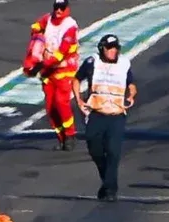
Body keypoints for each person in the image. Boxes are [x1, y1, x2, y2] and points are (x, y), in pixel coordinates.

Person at [73, 34, 136, 202]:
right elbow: (76, 80)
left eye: (115, 48)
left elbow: (131, 84)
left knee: (114, 152)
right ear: (102, 49)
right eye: (109, 48)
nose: (113, 51)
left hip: (116, 115)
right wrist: (79, 100)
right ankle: (107, 182)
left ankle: (110, 189)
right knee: (95, 150)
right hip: (96, 113)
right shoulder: (92, 62)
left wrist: (131, 95)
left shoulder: (124, 64)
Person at [30, 0, 80, 151]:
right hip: (48, 70)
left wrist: (41, 65)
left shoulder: (70, 26)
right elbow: (35, 26)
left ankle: (70, 134)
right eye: (56, 7)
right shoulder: (48, 18)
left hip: (64, 68)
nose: (58, 10)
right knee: (50, 106)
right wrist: (37, 41)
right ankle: (61, 138)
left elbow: (61, 53)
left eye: (62, 8)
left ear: (67, 8)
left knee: (61, 101)